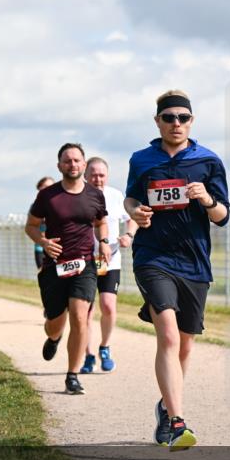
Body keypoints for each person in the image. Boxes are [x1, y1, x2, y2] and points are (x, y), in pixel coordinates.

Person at [124, 89, 230, 449]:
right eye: (168, 117)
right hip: (152, 257)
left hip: (194, 262)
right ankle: (178, 423)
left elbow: (222, 217)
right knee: (167, 335)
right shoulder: (141, 160)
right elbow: (131, 197)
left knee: (185, 345)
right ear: (158, 121)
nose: (176, 123)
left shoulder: (209, 161)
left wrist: (207, 199)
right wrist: (134, 212)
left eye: (182, 118)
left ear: (191, 121)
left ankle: (167, 408)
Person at [25, 143, 111, 395]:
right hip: (54, 267)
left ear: (83, 165)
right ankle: (53, 338)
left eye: (76, 160)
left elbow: (101, 221)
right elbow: (30, 225)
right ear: (59, 165)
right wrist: (42, 242)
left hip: (84, 264)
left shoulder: (95, 195)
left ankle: (72, 375)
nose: (72, 164)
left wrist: (103, 242)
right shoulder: (47, 196)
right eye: (67, 161)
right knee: (55, 321)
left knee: (79, 315)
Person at [80, 156, 137, 374]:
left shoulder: (115, 196)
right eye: (93, 174)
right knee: (84, 311)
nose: (97, 178)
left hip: (109, 260)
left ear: (108, 175)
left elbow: (131, 217)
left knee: (108, 306)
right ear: (85, 175)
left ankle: (105, 346)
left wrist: (129, 235)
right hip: (84, 261)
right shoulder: (78, 196)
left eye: (101, 174)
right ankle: (87, 355)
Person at [33, 176, 55, 270]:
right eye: (45, 187)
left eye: (51, 186)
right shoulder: (35, 206)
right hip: (41, 248)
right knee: (43, 274)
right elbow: (32, 226)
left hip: (57, 247)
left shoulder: (62, 204)